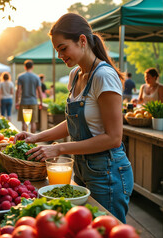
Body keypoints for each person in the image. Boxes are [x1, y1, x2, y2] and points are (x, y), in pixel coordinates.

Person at [14, 13, 133, 223]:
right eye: (57, 50)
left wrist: (58, 148)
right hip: (81, 168)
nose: (60, 55)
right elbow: (72, 123)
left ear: (82, 40)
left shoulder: (104, 76)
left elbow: (114, 138)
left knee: (108, 232)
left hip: (108, 172)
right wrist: (37, 136)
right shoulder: (76, 75)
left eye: (63, 48)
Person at [15, 59, 43, 133]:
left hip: (23, 101)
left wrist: (17, 102)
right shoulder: (36, 77)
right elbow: (40, 91)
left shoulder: (20, 77)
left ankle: (25, 140)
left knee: (24, 122)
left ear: (25, 67)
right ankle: (33, 141)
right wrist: (41, 102)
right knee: (33, 122)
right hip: (33, 102)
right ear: (32, 67)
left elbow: (18, 91)